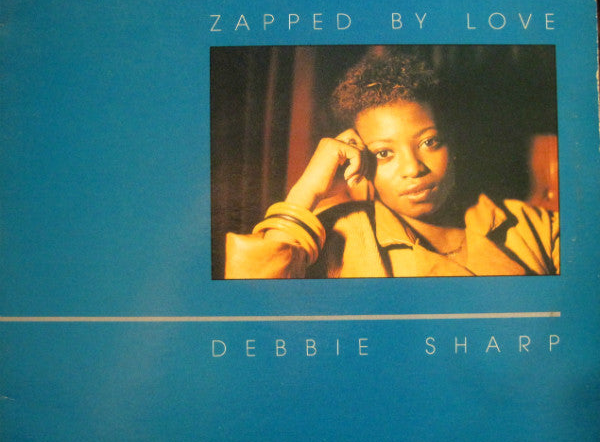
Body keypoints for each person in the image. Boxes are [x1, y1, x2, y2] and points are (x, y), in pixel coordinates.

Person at [224, 48, 560, 278]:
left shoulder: (532, 227)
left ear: (452, 142)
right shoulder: (336, 235)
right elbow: (253, 304)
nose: (413, 168)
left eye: (429, 142)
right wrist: (308, 188)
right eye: (384, 153)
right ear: (360, 162)